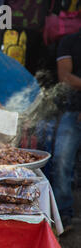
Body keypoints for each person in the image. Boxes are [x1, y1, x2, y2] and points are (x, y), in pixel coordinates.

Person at [52, 29, 81, 232]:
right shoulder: (69, 42)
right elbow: (65, 77)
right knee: (61, 160)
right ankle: (63, 214)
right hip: (72, 110)